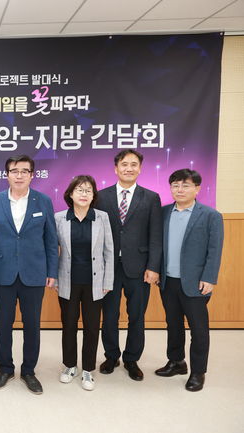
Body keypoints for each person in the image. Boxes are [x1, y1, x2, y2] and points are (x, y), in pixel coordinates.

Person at [0, 155, 58, 394]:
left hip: (34, 273)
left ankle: (28, 371)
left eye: (24, 171)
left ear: (32, 175)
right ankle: (5, 369)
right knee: (3, 324)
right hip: (3, 272)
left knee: (32, 325)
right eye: (14, 171)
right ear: (7, 175)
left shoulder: (43, 201)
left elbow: (51, 239)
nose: (19, 175)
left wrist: (52, 271)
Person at [96, 149, 162, 381]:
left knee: (137, 316)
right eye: (124, 164)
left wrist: (154, 267)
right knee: (109, 315)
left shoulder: (151, 197)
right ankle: (111, 356)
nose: (129, 168)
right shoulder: (100, 196)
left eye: (134, 164)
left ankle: (132, 359)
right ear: (116, 168)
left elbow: (156, 235)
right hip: (109, 268)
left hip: (140, 267)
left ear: (140, 169)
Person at [155, 169, 223, 392]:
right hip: (168, 281)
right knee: (173, 324)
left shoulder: (211, 215)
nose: (180, 189)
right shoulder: (164, 212)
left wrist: (209, 278)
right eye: (175, 185)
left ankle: (198, 372)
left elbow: (215, 250)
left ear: (197, 188)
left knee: (198, 329)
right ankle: (177, 362)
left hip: (196, 283)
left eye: (185, 185)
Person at [54, 175, 113, 391]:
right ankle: (70, 366)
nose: (84, 194)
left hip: (94, 282)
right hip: (67, 281)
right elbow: (51, 250)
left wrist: (108, 280)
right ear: (70, 194)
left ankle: (88, 369)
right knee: (69, 325)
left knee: (92, 327)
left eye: (88, 190)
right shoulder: (59, 218)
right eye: (79, 190)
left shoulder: (102, 217)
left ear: (93, 195)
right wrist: (54, 277)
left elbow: (109, 250)